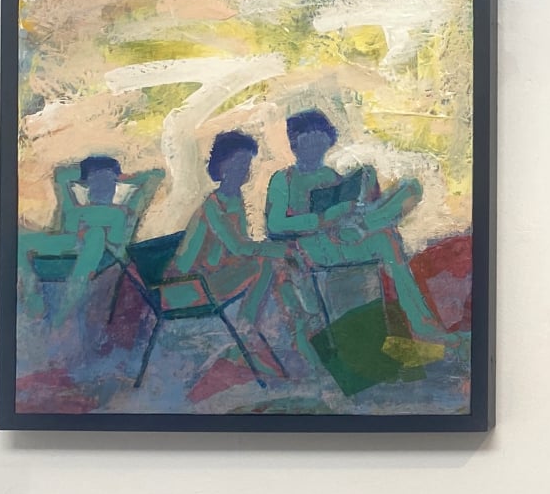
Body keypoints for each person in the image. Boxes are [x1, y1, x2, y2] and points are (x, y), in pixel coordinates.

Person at [262, 109, 448, 345]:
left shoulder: (330, 175)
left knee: (406, 198)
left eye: (320, 140)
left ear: (328, 141)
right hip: (310, 247)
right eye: (307, 140)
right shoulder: (284, 178)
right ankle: (364, 226)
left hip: (342, 236)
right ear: (295, 145)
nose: (314, 147)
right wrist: (324, 218)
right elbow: (275, 225)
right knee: (384, 235)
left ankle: (422, 323)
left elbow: (345, 206)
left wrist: (360, 200)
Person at [168, 131, 322, 373]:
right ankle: (253, 338)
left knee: (275, 264)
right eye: (238, 163)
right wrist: (281, 249)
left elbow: (243, 248)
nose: (244, 169)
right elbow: (239, 247)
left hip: (216, 276)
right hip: (188, 286)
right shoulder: (213, 205)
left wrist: (280, 253)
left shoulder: (235, 199)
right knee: (268, 263)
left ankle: (297, 330)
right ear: (222, 165)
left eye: (247, 163)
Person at [17, 155, 162, 322]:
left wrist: (125, 177)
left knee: (96, 235)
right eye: (95, 181)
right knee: (21, 241)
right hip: (72, 242)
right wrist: (90, 172)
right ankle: (32, 297)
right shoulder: (77, 208)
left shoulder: (119, 213)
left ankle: (65, 310)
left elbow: (157, 174)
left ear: (115, 185)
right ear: (87, 185)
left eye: (107, 182)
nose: (101, 187)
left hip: (100, 251)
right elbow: (62, 175)